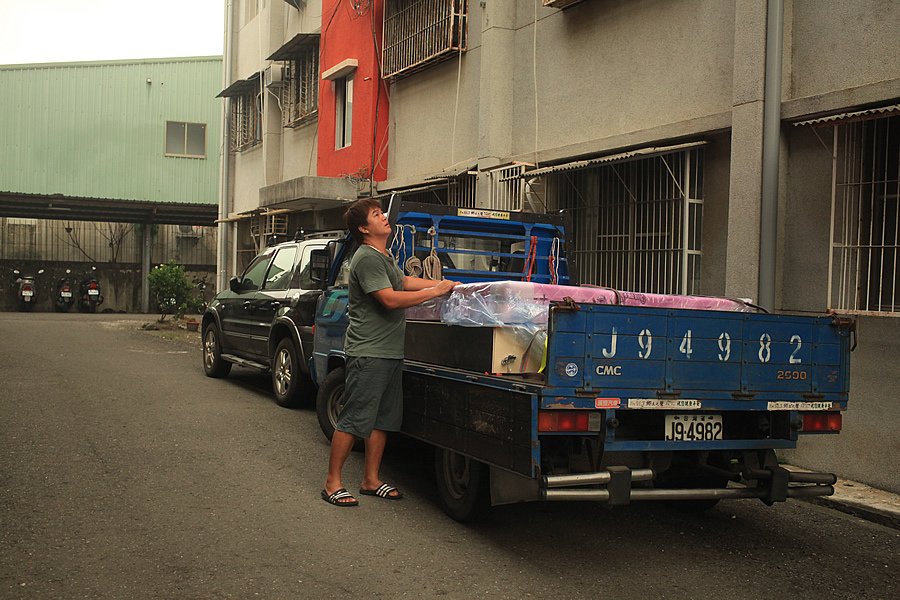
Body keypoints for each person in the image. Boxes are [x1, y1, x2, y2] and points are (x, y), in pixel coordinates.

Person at [322, 198, 458, 507]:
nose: (384, 217)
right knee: (355, 418)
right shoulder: (366, 258)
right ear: (363, 228)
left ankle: (370, 480)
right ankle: (332, 483)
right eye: (376, 214)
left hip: (389, 351)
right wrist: (433, 293)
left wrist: (443, 284)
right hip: (369, 351)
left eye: (381, 212)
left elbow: (403, 281)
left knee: (382, 419)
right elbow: (389, 299)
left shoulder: (382, 256)